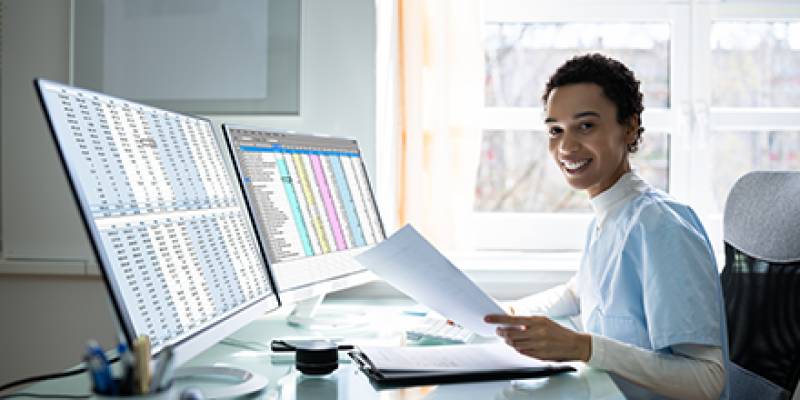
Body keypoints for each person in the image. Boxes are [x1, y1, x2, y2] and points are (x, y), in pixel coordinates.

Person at [484, 53, 730, 400]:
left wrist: (583, 347)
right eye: (556, 130)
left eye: (585, 126)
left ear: (628, 127)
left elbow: (707, 379)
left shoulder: (660, 226)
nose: (566, 147)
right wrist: (502, 314)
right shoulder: (609, 215)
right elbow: (581, 292)